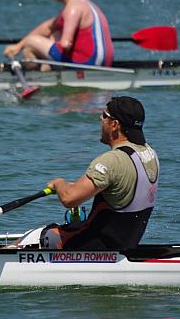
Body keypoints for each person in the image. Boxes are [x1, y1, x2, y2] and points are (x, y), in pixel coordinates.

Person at [15, 96, 159, 250]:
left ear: (115, 124)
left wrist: (59, 183)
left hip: (98, 244)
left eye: (104, 115)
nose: (100, 118)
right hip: (125, 243)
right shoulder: (149, 154)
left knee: (36, 236)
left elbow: (69, 199)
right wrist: (75, 186)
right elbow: (120, 188)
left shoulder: (111, 161)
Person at [3, 0, 114, 69]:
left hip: (88, 63)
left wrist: (25, 46)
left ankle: (37, 78)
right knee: (55, 34)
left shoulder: (73, 8)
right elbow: (49, 27)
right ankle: (46, 68)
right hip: (105, 63)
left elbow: (66, 44)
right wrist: (18, 46)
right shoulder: (89, 4)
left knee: (31, 44)